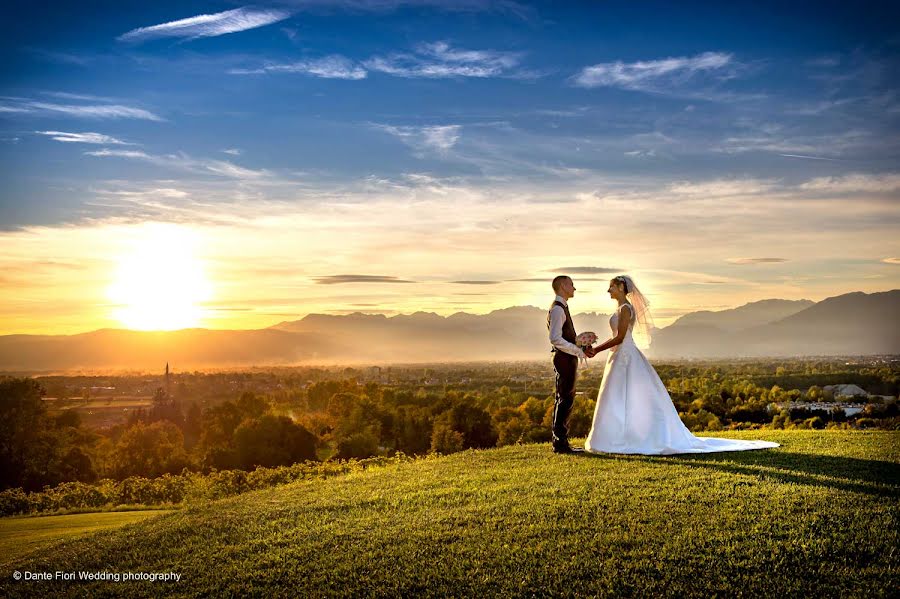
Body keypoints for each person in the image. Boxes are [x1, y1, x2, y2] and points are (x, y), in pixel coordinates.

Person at [583, 275, 780, 455]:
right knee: (617, 396)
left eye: (611, 287)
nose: (608, 291)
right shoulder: (621, 309)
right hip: (619, 356)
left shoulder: (625, 309)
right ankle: (617, 437)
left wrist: (596, 349)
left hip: (624, 355)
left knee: (625, 395)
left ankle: (625, 438)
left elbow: (620, 337)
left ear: (620, 287)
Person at [546, 275, 595, 454]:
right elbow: (555, 339)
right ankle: (560, 443)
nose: (574, 288)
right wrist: (578, 350)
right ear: (563, 286)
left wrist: (581, 345)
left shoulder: (562, 307)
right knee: (565, 399)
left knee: (566, 398)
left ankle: (560, 441)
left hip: (567, 358)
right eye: (571, 285)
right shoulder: (558, 309)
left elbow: (564, 337)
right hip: (564, 359)